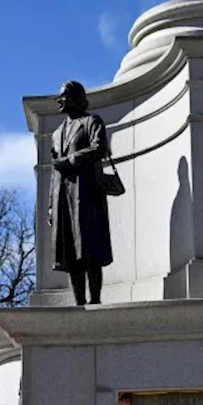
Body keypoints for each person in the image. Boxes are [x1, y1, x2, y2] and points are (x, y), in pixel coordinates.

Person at [49, 81, 114, 305]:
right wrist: (50, 205)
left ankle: (95, 300)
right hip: (62, 198)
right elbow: (53, 170)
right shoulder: (56, 134)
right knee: (71, 254)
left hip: (87, 194)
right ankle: (79, 303)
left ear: (77, 97)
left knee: (90, 251)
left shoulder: (91, 121)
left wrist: (71, 160)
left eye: (63, 96)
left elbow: (100, 148)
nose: (59, 100)